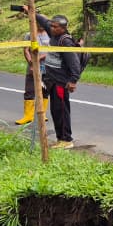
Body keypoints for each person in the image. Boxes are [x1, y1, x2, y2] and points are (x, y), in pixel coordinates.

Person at [41, 14, 82, 149]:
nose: (52, 28)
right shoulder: (53, 34)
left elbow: (74, 63)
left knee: (61, 111)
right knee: (55, 111)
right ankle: (60, 139)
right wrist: (31, 12)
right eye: (51, 26)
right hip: (52, 80)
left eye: (55, 27)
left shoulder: (65, 41)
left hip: (60, 82)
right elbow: (44, 21)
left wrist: (73, 80)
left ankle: (66, 140)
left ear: (63, 28)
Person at [13, 11, 51, 125]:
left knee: (45, 90)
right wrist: (31, 62)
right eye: (38, 22)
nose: (40, 25)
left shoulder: (50, 35)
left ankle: (42, 114)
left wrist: (39, 58)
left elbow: (51, 51)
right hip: (32, 67)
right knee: (29, 90)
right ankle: (28, 116)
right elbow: (26, 50)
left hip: (46, 66)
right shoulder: (29, 35)